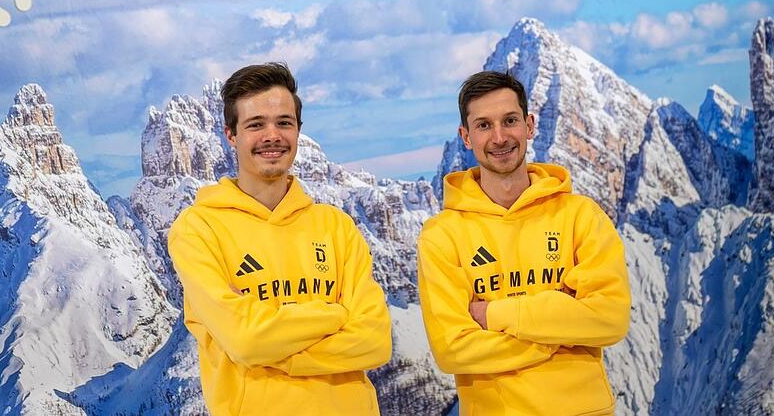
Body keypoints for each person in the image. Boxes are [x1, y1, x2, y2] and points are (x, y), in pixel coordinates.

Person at [167, 62, 391, 416]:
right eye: (256, 124)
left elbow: (375, 342)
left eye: (284, 122)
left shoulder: (336, 227)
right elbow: (246, 340)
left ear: (299, 131)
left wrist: (274, 349)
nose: (272, 135)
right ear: (231, 134)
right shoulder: (198, 229)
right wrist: (335, 315)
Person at [418, 71, 631, 415]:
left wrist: (495, 313)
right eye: (484, 125)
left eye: (510, 120)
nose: (500, 137)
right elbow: (453, 349)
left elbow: (610, 318)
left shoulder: (580, 216)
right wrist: (558, 334)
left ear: (529, 126)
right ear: (466, 137)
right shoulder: (442, 235)